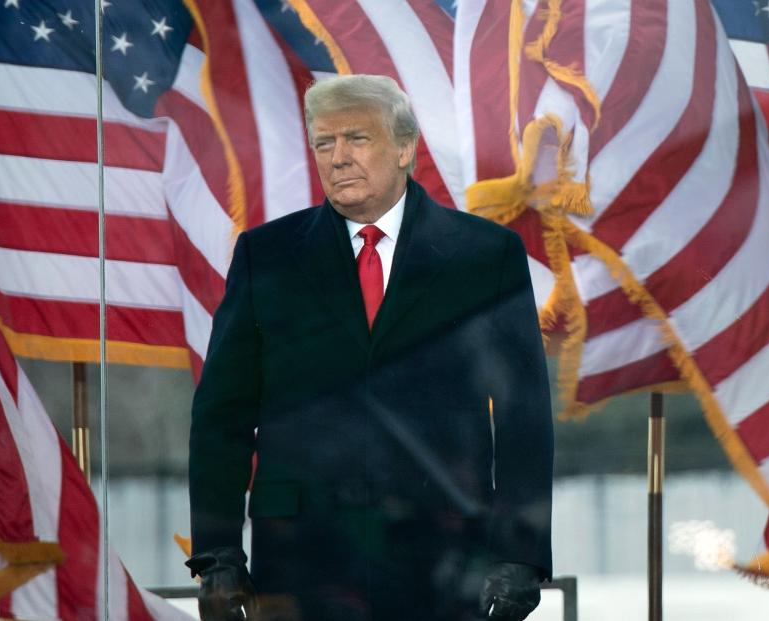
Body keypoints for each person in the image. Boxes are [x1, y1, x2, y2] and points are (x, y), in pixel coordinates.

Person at [186, 74, 553, 621]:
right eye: (323, 144)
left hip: (445, 558)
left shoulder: (485, 256)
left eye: (357, 139)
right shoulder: (267, 257)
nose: (337, 158)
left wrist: (520, 555)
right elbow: (223, 414)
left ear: (405, 148)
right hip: (301, 562)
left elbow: (523, 415)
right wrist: (217, 555)